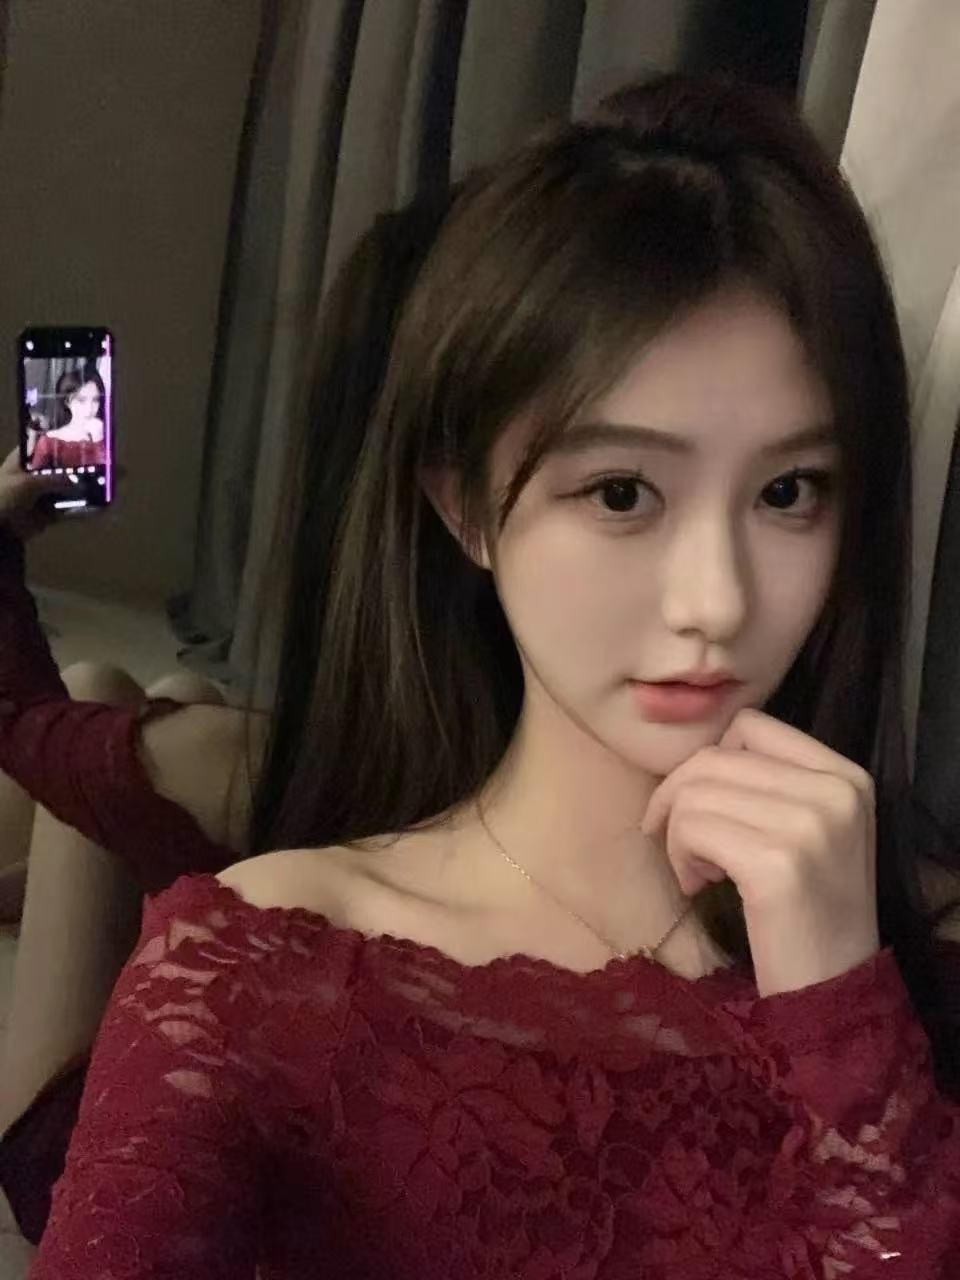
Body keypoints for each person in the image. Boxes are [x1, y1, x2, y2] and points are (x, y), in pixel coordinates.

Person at [27, 73, 960, 1278]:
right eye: (621, 492)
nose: (719, 600)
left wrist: (842, 1011)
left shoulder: (900, 969)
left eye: (788, 491)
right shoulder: (258, 973)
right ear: (464, 505)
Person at [0, 193, 454, 1244]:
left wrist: (3, 534)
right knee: (179, 698)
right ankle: (29, 876)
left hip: (115, 1188)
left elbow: (19, 717)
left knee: (105, 696)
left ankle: (42, 868)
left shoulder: (272, 766)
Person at [28, 368, 106, 471]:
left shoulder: (107, 435)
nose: (89, 408)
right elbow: (35, 478)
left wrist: (99, 439)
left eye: (95, 400)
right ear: (67, 402)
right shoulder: (48, 442)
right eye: (81, 400)